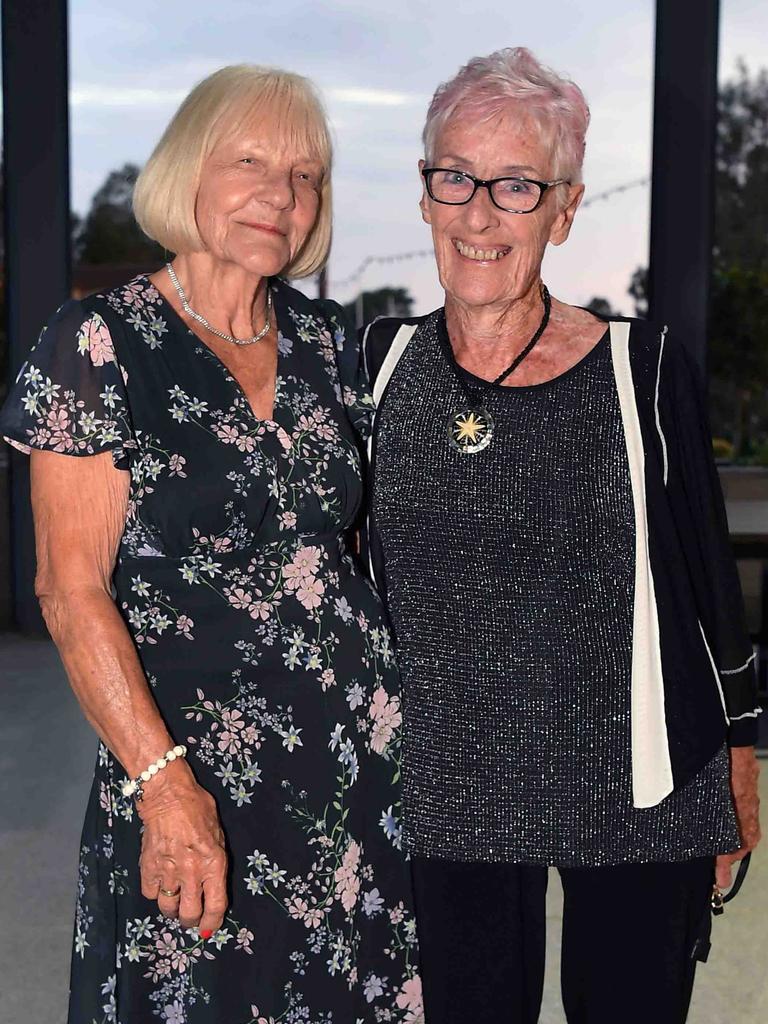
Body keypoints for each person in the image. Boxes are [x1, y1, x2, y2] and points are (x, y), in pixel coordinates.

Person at [0, 66, 422, 1024]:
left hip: (359, 785)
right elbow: (69, 592)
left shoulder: (328, 341)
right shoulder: (100, 343)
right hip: (195, 784)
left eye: (306, 175)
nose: (281, 194)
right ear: (189, 171)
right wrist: (163, 789)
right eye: (250, 161)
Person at [360, 47, 762, 1024]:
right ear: (425, 194)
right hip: (445, 791)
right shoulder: (374, 367)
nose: (480, 213)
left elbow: (708, 581)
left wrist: (741, 760)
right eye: (455, 177)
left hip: (637, 786)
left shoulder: (643, 369)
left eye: (516, 186)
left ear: (565, 207)